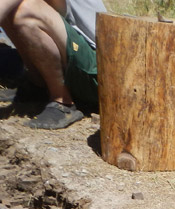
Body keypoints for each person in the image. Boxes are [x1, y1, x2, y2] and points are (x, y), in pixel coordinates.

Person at [0, 0, 106, 129]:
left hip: (98, 73)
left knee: (27, 11)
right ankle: (37, 86)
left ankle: (63, 102)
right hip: (76, 62)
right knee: (14, 9)